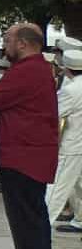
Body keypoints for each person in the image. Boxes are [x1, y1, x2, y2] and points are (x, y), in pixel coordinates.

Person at [0, 24, 60, 249]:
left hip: (24, 155)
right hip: (26, 153)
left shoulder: (29, 71)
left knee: (27, 217)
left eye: (7, 40)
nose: (4, 46)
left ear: (24, 44)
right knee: (26, 216)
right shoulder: (33, 69)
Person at [48, 48, 82, 233]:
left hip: (73, 144)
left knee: (57, 186)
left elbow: (55, 114)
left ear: (67, 68)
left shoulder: (71, 90)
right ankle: (80, 219)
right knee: (79, 185)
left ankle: (43, 221)